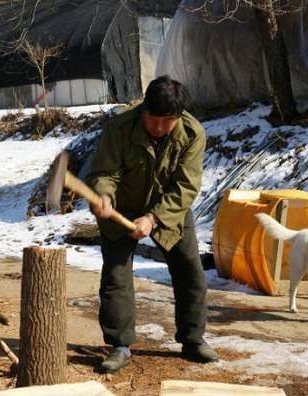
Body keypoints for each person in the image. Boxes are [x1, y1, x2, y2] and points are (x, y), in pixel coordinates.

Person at [86, 75, 218, 373]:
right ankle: (119, 344)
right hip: (122, 207)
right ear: (143, 109)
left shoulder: (192, 133)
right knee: (116, 277)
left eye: (166, 121)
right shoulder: (119, 128)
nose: (158, 127)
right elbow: (105, 172)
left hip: (169, 210)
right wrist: (103, 195)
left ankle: (193, 339)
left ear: (179, 116)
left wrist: (154, 217)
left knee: (190, 272)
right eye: (153, 119)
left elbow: (185, 186)